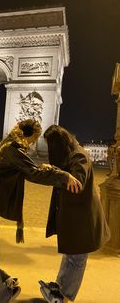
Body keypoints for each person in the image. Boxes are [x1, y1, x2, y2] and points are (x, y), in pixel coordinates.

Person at [0, 119, 81, 303]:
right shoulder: (14, 149)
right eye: (35, 139)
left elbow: (31, 168)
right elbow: (33, 173)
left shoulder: (11, 144)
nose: (34, 143)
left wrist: (47, 169)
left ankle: (3, 281)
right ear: (29, 135)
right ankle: (0, 295)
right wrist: (64, 175)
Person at [39, 125, 111, 303]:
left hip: (83, 219)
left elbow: (77, 182)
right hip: (76, 216)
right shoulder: (73, 153)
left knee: (77, 258)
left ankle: (65, 296)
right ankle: (60, 287)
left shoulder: (78, 156)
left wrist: (55, 171)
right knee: (70, 254)